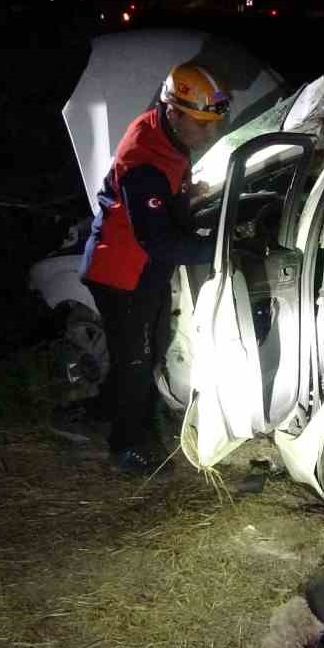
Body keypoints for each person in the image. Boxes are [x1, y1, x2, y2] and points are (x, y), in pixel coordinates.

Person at [79, 62, 228, 474]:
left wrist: (182, 198)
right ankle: (125, 445)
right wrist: (218, 247)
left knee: (143, 350)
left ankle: (102, 410)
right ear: (174, 111)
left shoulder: (164, 130)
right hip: (120, 274)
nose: (209, 133)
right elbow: (158, 240)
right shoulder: (145, 158)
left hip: (138, 267)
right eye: (202, 123)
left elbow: (160, 208)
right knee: (136, 360)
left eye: (214, 122)